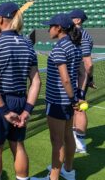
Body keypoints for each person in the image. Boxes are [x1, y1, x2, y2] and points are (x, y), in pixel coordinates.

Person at [0, 2, 41, 180]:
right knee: (18, 145)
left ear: (1, 19)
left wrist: (5, 111)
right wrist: (27, 111)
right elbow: (36, 81)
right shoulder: (28, 45)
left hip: (0, 103)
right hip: (21, 101)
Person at [31, 13, 83, 180]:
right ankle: (68, 171)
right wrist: (77, 96)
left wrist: (73, 99)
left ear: (59, 28)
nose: (48, 29)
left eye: (50, 26)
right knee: (68, 136)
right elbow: (82, 73)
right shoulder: (74, 46)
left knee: (57, 141)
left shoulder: (60, 48)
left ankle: (53, 177)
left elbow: (65, 78)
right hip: (67, 100)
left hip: (58, 101)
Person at [68, 9, 94, 154]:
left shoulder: (82, 36)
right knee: (76, 108)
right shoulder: (77, 34)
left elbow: (88, 63)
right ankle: (75, 137)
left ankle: (81, 143)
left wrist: (85, 81)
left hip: (79, 78)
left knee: (79, 108)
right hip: (79, 77)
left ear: (78, 20)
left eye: (71, 18)